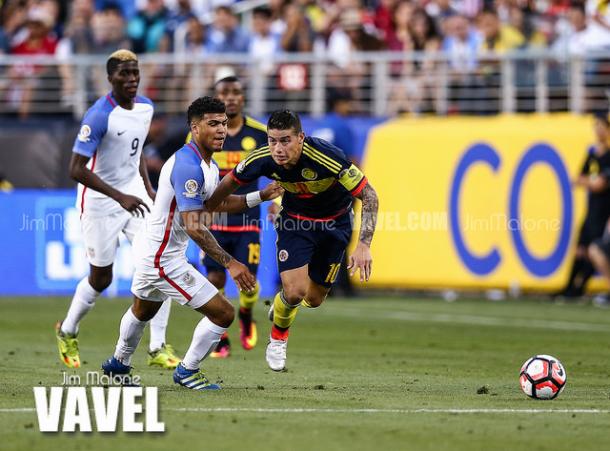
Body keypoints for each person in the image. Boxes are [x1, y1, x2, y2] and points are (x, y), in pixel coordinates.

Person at [101, 96, 282, 389]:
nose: (222, 130)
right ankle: (187, 370)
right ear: (195, 128)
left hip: (154, 249)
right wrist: (231, 263)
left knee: (143, 310)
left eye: (223, 123)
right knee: (223, 312)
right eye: (213, 124)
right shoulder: (188, 166)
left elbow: (213, 204)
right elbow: (195, 226)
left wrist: (260, 196)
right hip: (162, 258)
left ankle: (118, 364)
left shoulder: (206, 164)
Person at [207, 109, 379, 372]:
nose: (277, 148)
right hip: (294, 223)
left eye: (285, 140)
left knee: (313, 299)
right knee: (295, 291)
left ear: (301, 137)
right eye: (272, 140)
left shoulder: (328, 157)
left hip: (335, 225)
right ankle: (278, 338)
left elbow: (369, 195)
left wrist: (364, 244)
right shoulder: (262, 158)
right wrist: (204, 207)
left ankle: (280, 307)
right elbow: (226, 185)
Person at [54, 50, 180, 371]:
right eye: (124, 74)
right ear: (110, 78)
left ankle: (157, 346)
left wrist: (147, 188)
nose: (132, 79)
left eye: (135, 73)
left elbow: (134, 152)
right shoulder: (98, 115)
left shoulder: (146, 108)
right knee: (101, 278)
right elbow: (76, 169)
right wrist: (119, 195)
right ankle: (67, 330)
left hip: (134, 193)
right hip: (99, 200)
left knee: (158, 264)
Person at [188, 76, 268, 358]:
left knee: (249, 283)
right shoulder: (201, 135)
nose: (231, 98)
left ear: (243, 97)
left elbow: (277, 170)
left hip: (247, 220)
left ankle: (245, 314)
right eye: (225, 93)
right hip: (213, 222)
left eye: (236, 92)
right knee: (214, 280)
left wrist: (278, 202)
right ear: (217, 97)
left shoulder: (259, 134)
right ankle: (220, 336)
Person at [557, 112, 610, 299]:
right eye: (596, 126)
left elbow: (599, 185)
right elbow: (578, 179)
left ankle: (578, 289)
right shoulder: (592, 154)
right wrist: (591, 181)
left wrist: (589, 181)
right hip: (591, 210)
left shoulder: (608, 155)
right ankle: (569, 288)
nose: (598, 130)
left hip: (603, 212)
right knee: (580, 250)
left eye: (601, 126)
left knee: (593, 251)